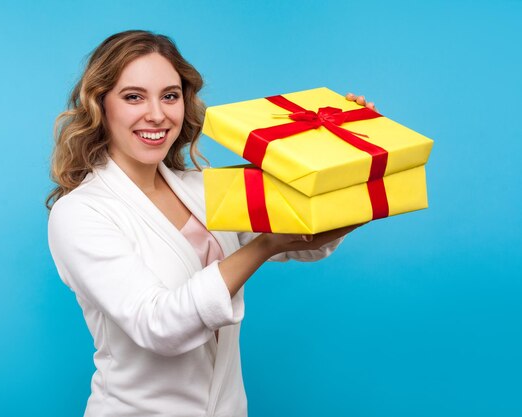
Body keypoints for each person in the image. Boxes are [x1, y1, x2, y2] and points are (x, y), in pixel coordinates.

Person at [47, 30, 372, 417]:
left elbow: (304, 237)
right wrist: (264, 246)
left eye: (170, 95)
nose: (156, 114)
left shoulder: (202, 189)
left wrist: (350, 148)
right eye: (133, 96)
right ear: (100, 105)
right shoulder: (81, 213)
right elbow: (158, 326)